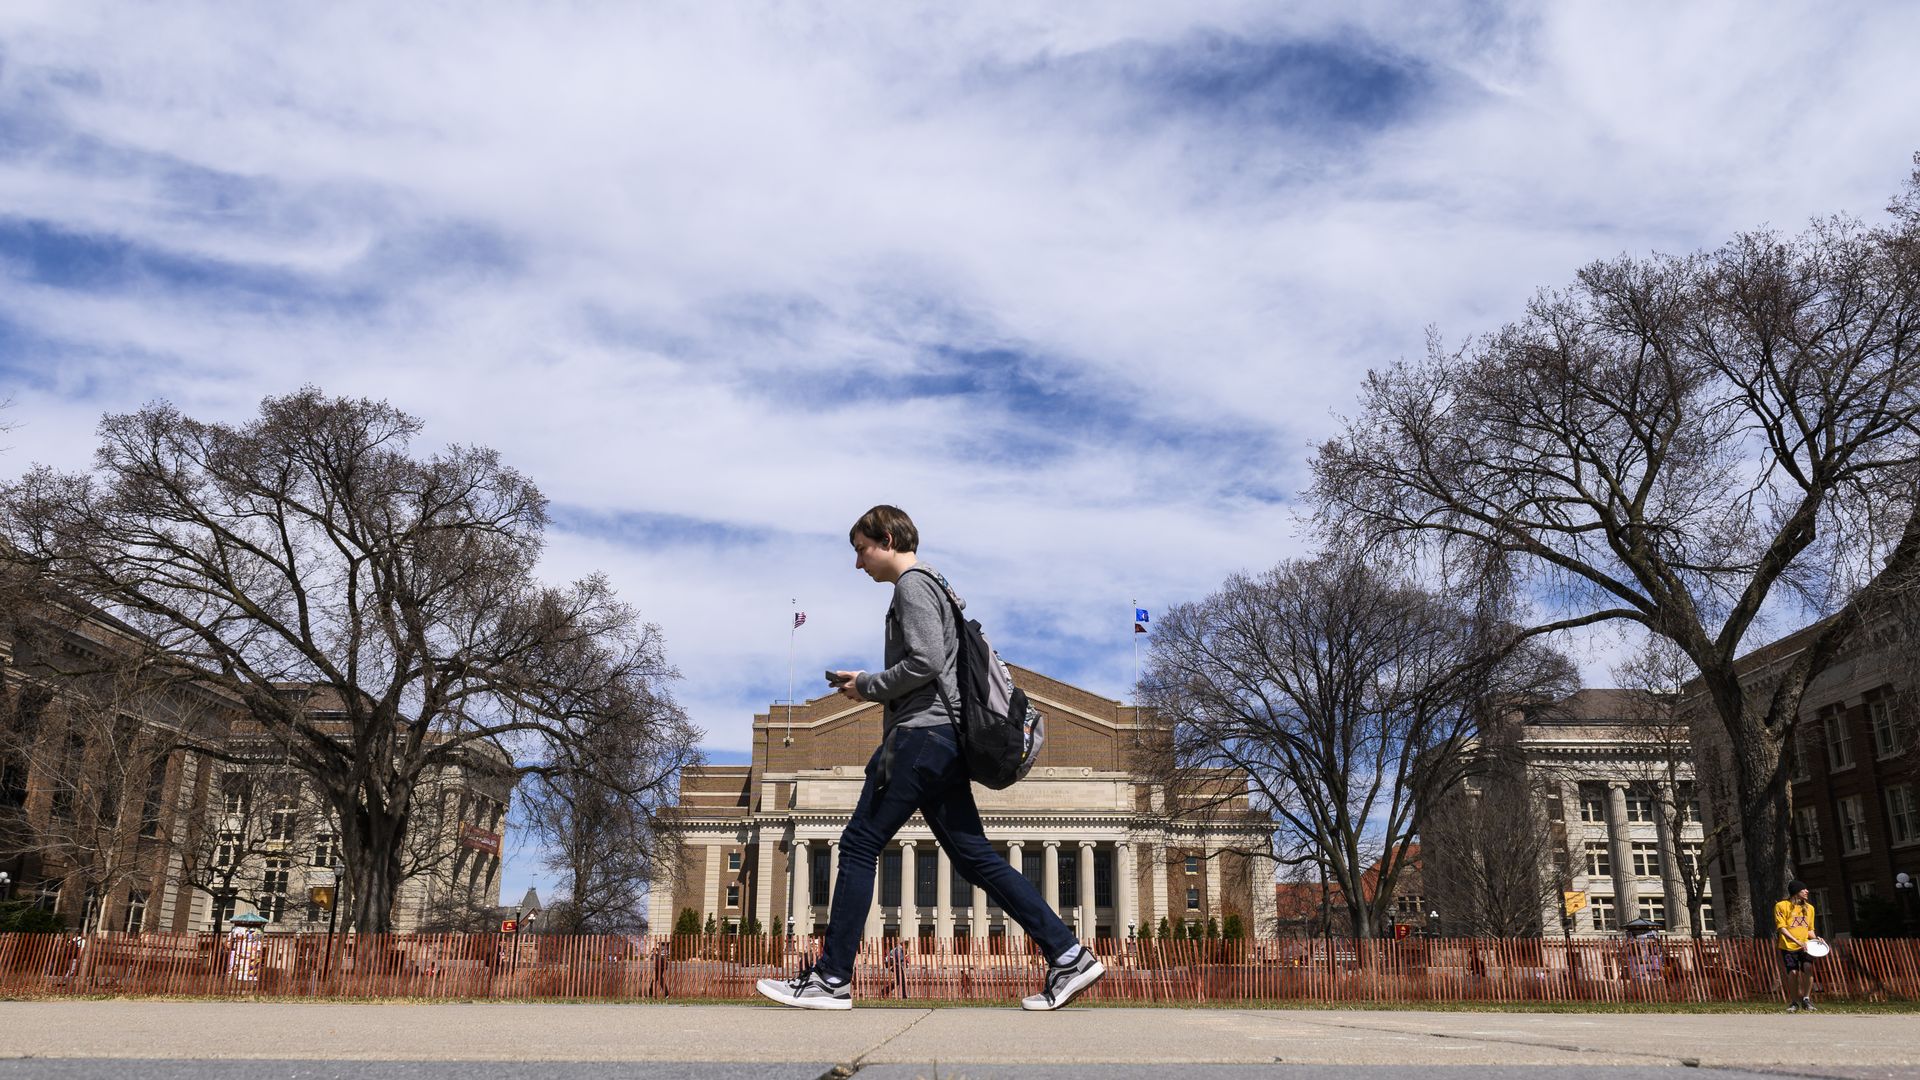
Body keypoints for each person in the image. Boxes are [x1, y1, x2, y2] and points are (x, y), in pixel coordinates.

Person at [756, 505, 1103, 1012]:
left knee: (857, 844)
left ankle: (830, 979)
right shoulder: (939, 586)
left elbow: (923, 663)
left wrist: (868, 685)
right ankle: (1068, 954)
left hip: (919, 739)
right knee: (976, 858)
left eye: (861, 550)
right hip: (944, 746)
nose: (858, 564)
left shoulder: (913, 585)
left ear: (889, 538)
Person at [1776, 879, 1823, 1013]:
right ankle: (1794, 1002)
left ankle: (1806, 999)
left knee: (1808, 967)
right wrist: (1797, 942)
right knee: (1794, 972)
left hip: (1805, 946)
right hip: (1788, 946)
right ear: (1796, 892)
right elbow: (1782, 928)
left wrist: (1816, 938)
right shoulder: (1781, 906)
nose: (1807, 891)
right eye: (1803, 890)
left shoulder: (1809, 908)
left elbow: (1809, 930)